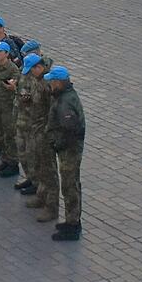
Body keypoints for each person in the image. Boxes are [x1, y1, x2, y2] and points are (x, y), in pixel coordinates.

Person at [43, 66, 85, 241]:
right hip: (68, 148)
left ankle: (73, 225)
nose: (50, 84)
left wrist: (58, 144)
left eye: (51, 81)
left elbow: (70, 130)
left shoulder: (66, 102)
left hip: (69, 150)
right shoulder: (63, 96)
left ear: (58, 82)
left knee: (70, 186)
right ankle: (71, 220)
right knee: (70, 185)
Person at [23, 54, 59, 223]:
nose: (30, 74)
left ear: (39, 67)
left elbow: (52, 112)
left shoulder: (47, 85)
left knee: (49, 170)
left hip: (45, 133)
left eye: (31, 70)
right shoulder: (38, 80)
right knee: (39, 166)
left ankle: (52, 208)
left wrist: (47, 132)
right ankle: (41, 196)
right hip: (36, 130)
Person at [12, 40, 44, 195]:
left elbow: (38, 99)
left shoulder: (43, 74)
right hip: (21, 117)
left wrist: (21, 93)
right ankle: (30, 177)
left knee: (33, 155)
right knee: (22, 151)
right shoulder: (27, 68)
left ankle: (37, 183)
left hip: (34, 121)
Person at [0, 43, 20, 178]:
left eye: (0, 51)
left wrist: (13, 87)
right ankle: (5, 160)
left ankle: (13, 163)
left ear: (6, 54)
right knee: (0, 134)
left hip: (8, 107)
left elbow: (18, 86)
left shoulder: (13, 69)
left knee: (10, 135)